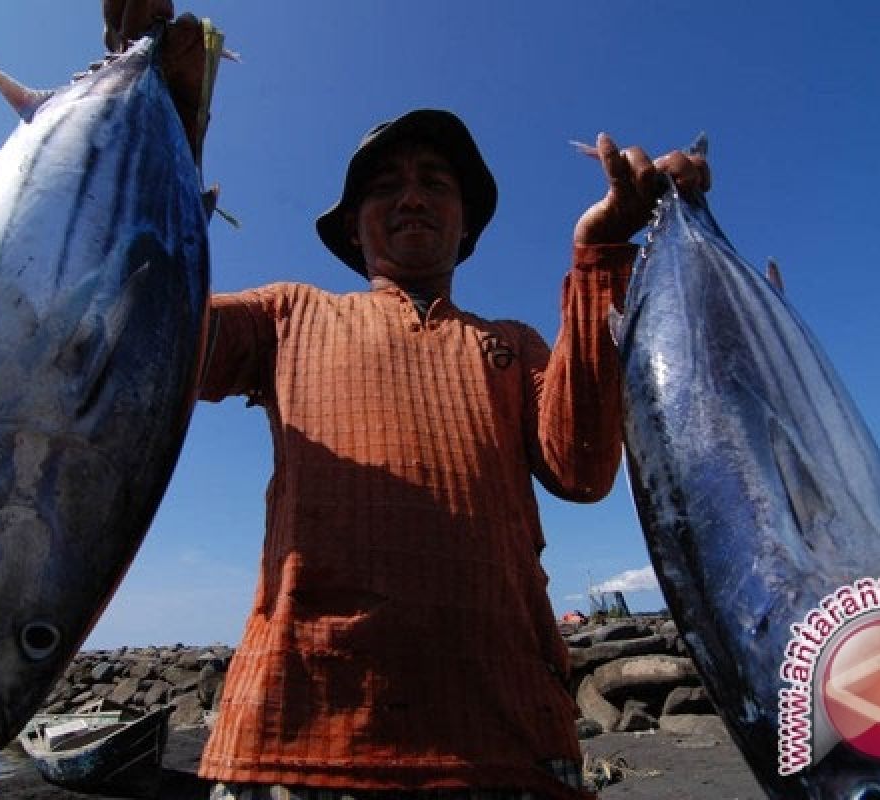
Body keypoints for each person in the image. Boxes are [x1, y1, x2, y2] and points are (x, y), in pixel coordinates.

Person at [104, 5, 708, 800]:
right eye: (385, 187)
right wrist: (142, 114)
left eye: (436, 183)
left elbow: (584, 467)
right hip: (290, 746)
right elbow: (143, 334)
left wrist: (600, 257)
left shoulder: (516, 344)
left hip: (509, 748)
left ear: (467, 230)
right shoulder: (286, 314)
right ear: (353, 231)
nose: (412, 198)